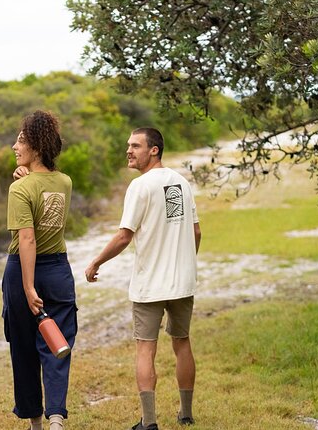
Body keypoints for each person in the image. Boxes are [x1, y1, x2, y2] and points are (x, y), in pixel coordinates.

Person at [84, 127, 202, 430]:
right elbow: (195, 232)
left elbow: (124, 236)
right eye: (128, 146)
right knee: (182, 342)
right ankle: (185, 415)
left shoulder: (140, 186)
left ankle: (149, 422)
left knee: (145, 348)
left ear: (154, 150)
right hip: (181, 282)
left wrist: (96, 261)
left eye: (135, 146)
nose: (129, 151)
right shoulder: (180, 183)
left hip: (150, 285)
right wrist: (185, 262)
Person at [3, 110, 77, 430]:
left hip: (23, 271)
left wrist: (29, 287)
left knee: (23, 345)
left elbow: (28, 238)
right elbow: (46, 188)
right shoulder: (65, 182)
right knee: (58, 341)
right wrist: (27, 175)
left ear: (36, 145)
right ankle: (56, 415)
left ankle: (35, 421)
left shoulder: (19, 189)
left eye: (21, 140)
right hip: (58, 269)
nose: (14, 146)